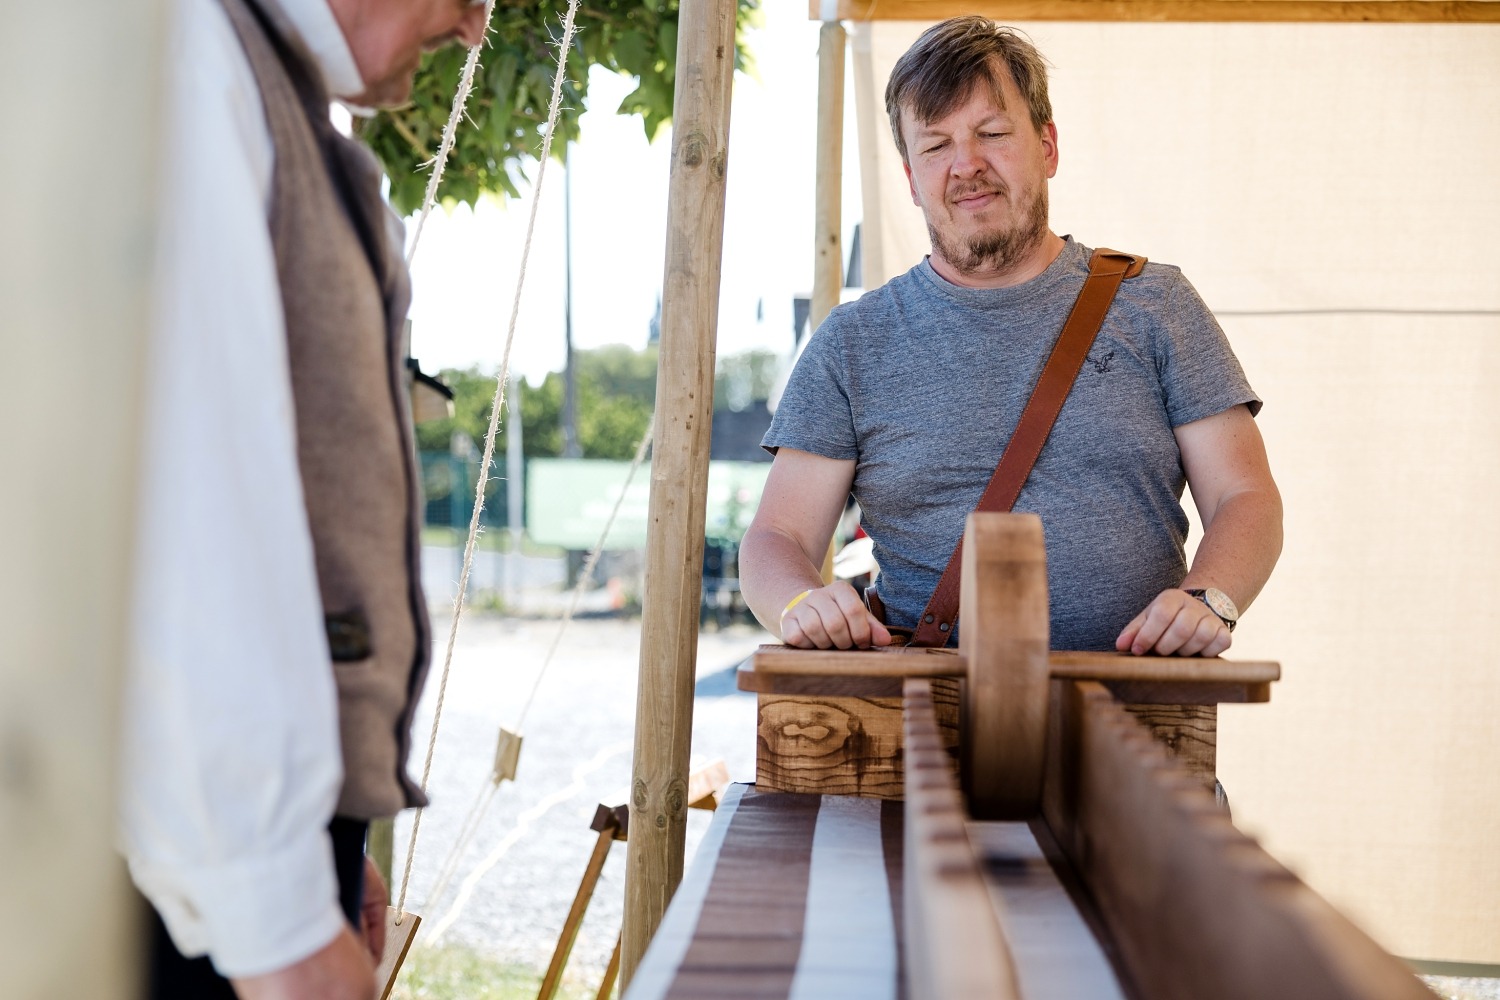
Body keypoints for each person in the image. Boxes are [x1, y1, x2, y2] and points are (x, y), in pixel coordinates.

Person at [120, 0, 487, 997]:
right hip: (164, 892)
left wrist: (320, 828)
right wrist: (273, 907)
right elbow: (185, 517)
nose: (472, 30)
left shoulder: (251, 73)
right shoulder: (195, 59)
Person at [740, 16, 1282, 658]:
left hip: (1144, 704)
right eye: (935, 145)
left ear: (1048, 147)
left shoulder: (1156, 304)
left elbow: (1243, 496)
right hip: (920, 719)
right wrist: (801, 604)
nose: (966, 164)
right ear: (911, 179)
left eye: (992, 133)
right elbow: (778, 537)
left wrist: (1208, 599)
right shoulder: (853, 341)